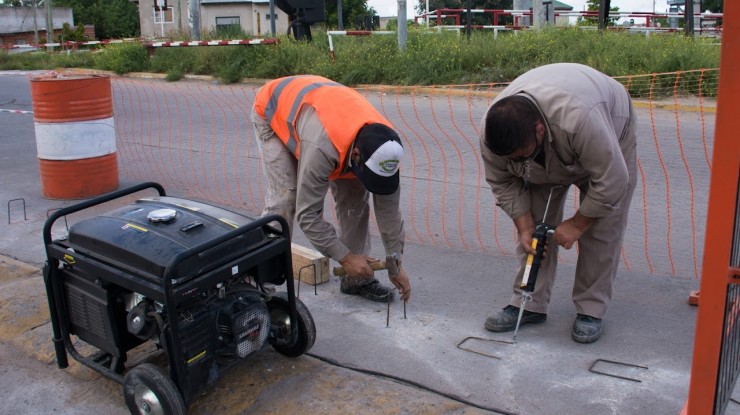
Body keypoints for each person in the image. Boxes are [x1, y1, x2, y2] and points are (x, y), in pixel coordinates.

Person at [478, 63, 637, 343]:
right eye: (512, 159)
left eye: (521, 155)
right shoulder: (491, 134)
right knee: (534, 232)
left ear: (539, 130)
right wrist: (525, 225)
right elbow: (503, 182)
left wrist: (577, 224)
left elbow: (613, 181)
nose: (516, 163)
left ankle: (591, 309)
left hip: (606, 124)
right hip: (554, 141)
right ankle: (528, 303)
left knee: (600, 226)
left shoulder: (579, 120)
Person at [252, 75, 411, 303]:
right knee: (286, 198)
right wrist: (344, 257)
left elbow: (390, 212)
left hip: (324, 117)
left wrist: (395, 262)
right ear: (356, 156)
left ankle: (356, 280)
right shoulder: (322, 148)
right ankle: (258, 285)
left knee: (355, 200)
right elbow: (308, 215)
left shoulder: (385, 147)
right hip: (273, 111)